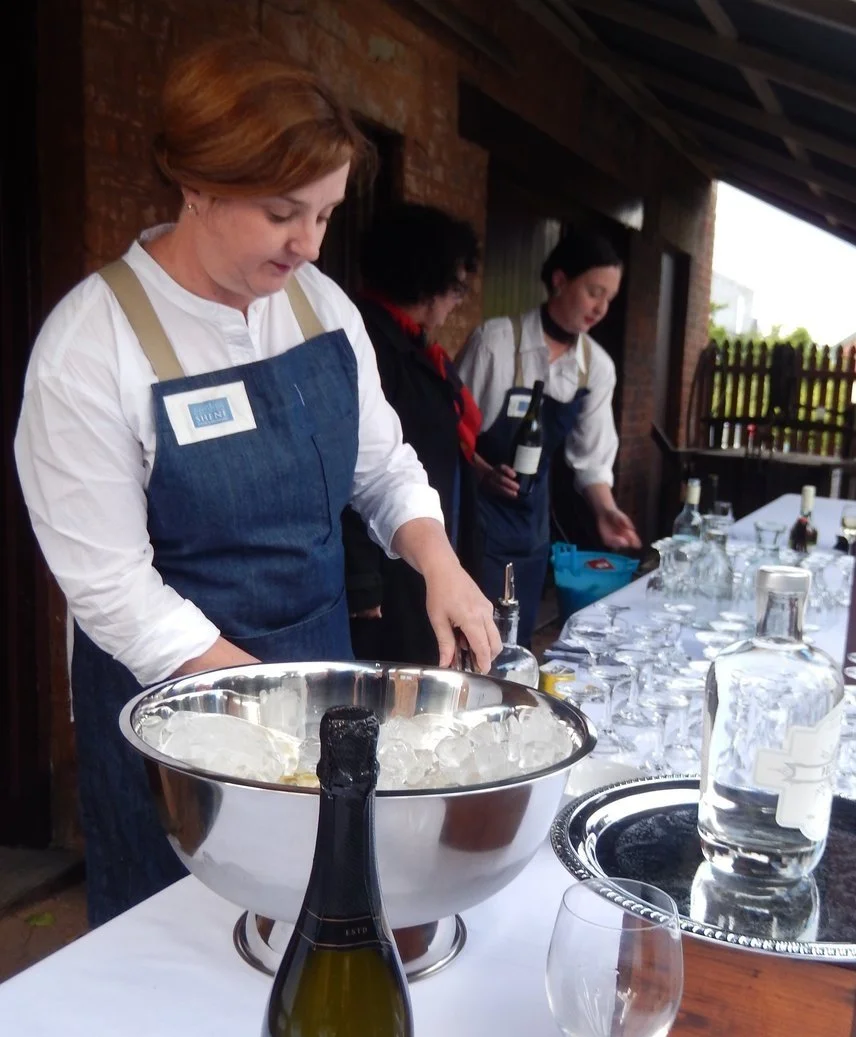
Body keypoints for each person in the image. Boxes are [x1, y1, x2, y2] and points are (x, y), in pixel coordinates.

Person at [14, 39, 499, 927]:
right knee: (184, 946)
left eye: (325, 214)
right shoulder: (90, 346)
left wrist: (440, 563)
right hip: (180, 717)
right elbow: (111, 587)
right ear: (197, 186)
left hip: (319, 671)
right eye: (283, 214)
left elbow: (383, 465)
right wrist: (268, 702)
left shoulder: (321, 307)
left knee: (321, 922)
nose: (308, 245)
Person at [458, 229, 641, 648]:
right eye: (594, 292)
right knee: (473, 643)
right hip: (474, 520)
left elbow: (591, 460)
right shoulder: (496, 343)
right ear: (560, 280)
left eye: (609, 298)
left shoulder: (596, 367)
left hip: (531, 529)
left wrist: (606, 510)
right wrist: (482, 471)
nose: (601, 308)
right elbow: (448, 430)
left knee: (515, 644)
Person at [342, 203, 483, 664]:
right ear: (426, 281)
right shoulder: (368, 341)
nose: (457, 302)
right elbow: (360, 466)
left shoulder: (413, 343)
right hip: (389, 564)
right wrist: (362, 581)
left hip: (424, 542)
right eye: (456, 288)